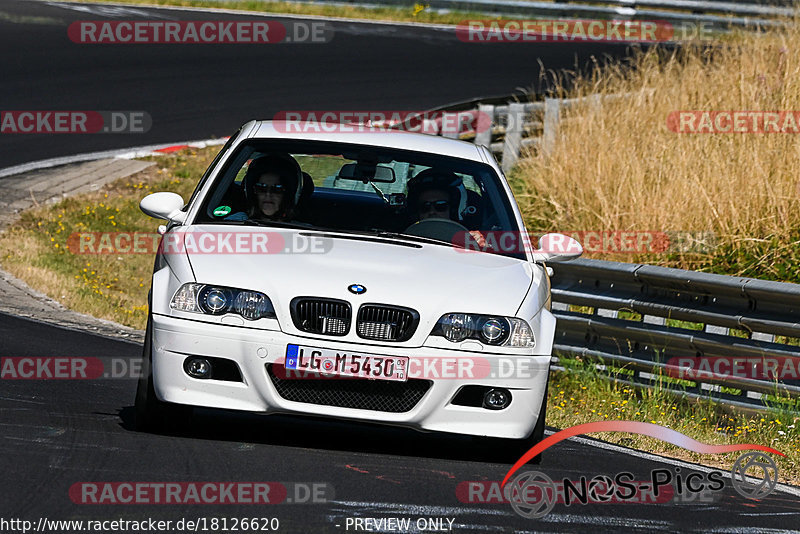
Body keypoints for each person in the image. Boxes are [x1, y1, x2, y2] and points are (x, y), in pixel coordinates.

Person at [227, 154, 303, 222]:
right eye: (261, 188)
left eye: (277, 189)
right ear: (253, 192)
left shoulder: (303, 233)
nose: (268, 194)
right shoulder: (234, 224)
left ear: (288, 194)